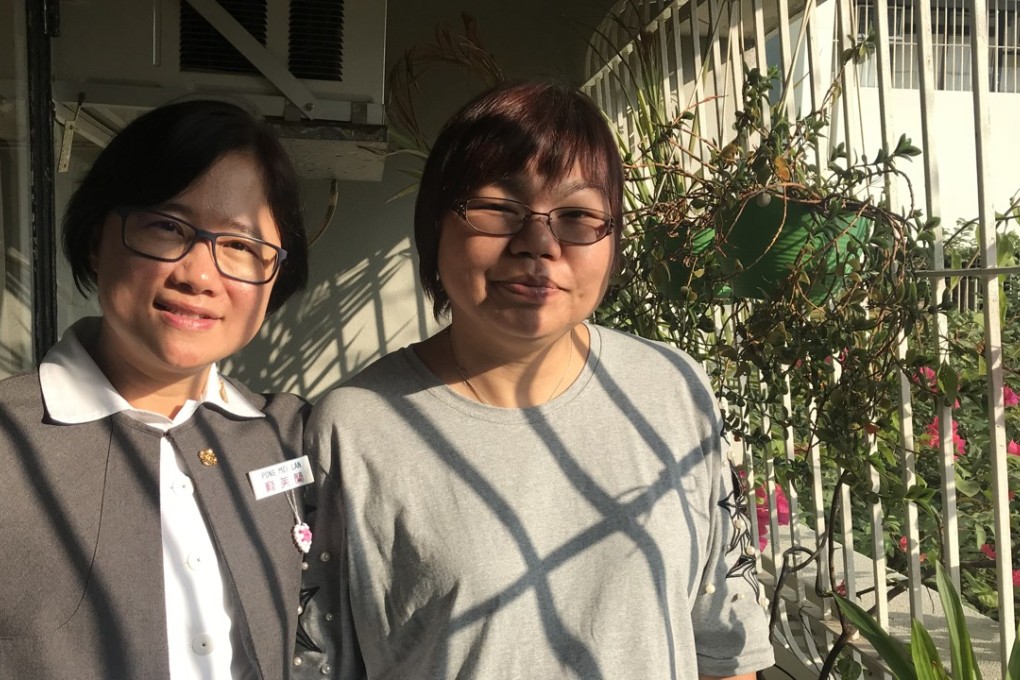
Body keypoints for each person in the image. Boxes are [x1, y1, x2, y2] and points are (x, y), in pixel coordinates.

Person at [299, 81, 775, 679]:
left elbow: (725, 647)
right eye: (499, 209)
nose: (540, 245)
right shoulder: (353, 428)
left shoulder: (673, 389)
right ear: (434, 225)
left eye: (578, 216)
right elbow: (318, 659)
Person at [0, 99, 311, 679]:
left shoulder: (293, 436)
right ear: (97, 239)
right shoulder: (11, 444)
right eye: (167, 227)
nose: (198, 275)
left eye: (241, 246)